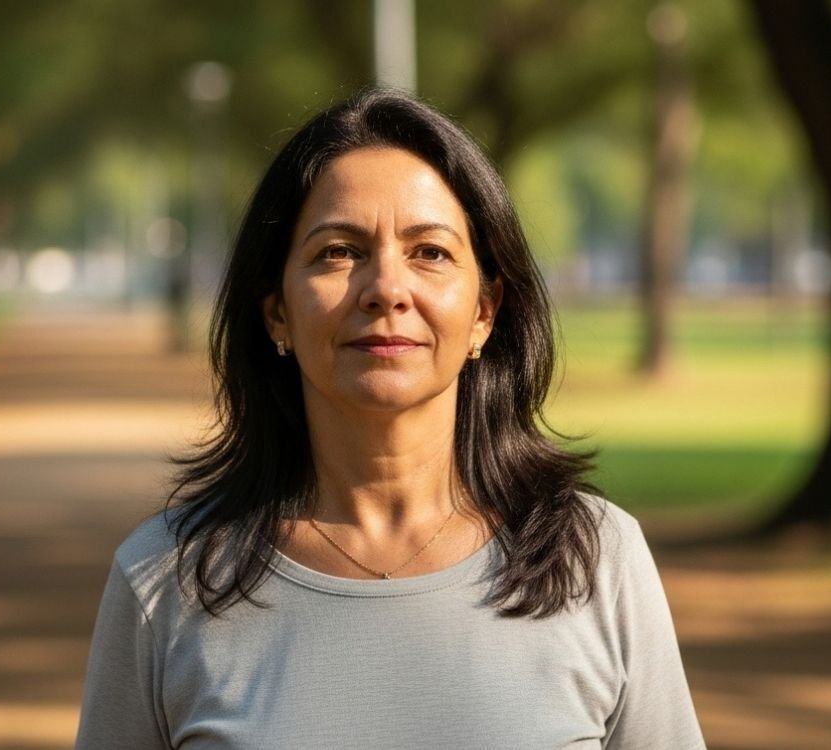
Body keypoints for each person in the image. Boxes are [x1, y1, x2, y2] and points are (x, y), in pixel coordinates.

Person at [75, 88, 705, 749]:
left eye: (429, 252)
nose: (386, 290)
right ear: (276, 312)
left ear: (485, 312)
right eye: (337, 251)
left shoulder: (595, 559)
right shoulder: (165, 578)